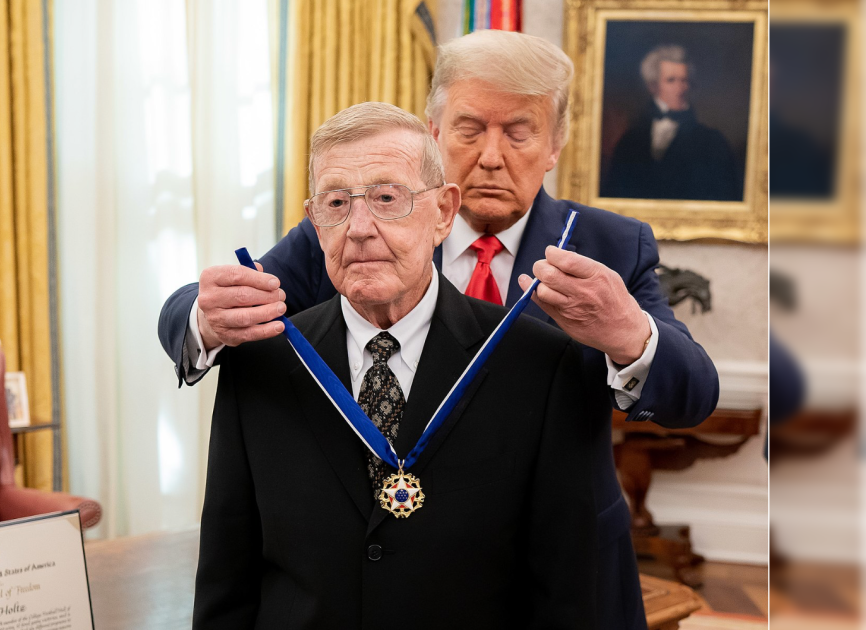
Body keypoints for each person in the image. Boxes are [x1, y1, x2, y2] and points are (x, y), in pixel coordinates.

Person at [163, 30, 720, 630]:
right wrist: (203, 318)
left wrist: (629, 332)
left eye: (519, 132)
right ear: (435, 131)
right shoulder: (355, 222)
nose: (491, 156)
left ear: (555, 144)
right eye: (469, 128)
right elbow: (230, 299)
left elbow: (693, 394)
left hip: (554, 563)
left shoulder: (608, 244)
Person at [193, 102, 607, 628]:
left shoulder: (537, 364)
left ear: (443, 213)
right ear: (315, 222)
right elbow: (227, 579)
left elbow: (563, 593)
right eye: (336, 202)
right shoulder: (261, 360)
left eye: (387, 198)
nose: (359, 228)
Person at [602, 44, 742, 201]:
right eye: (671, 80)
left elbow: (726, 198)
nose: (680, 88)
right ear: (653, 86)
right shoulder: (630, 140)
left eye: (684, 80)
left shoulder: (712, 142)